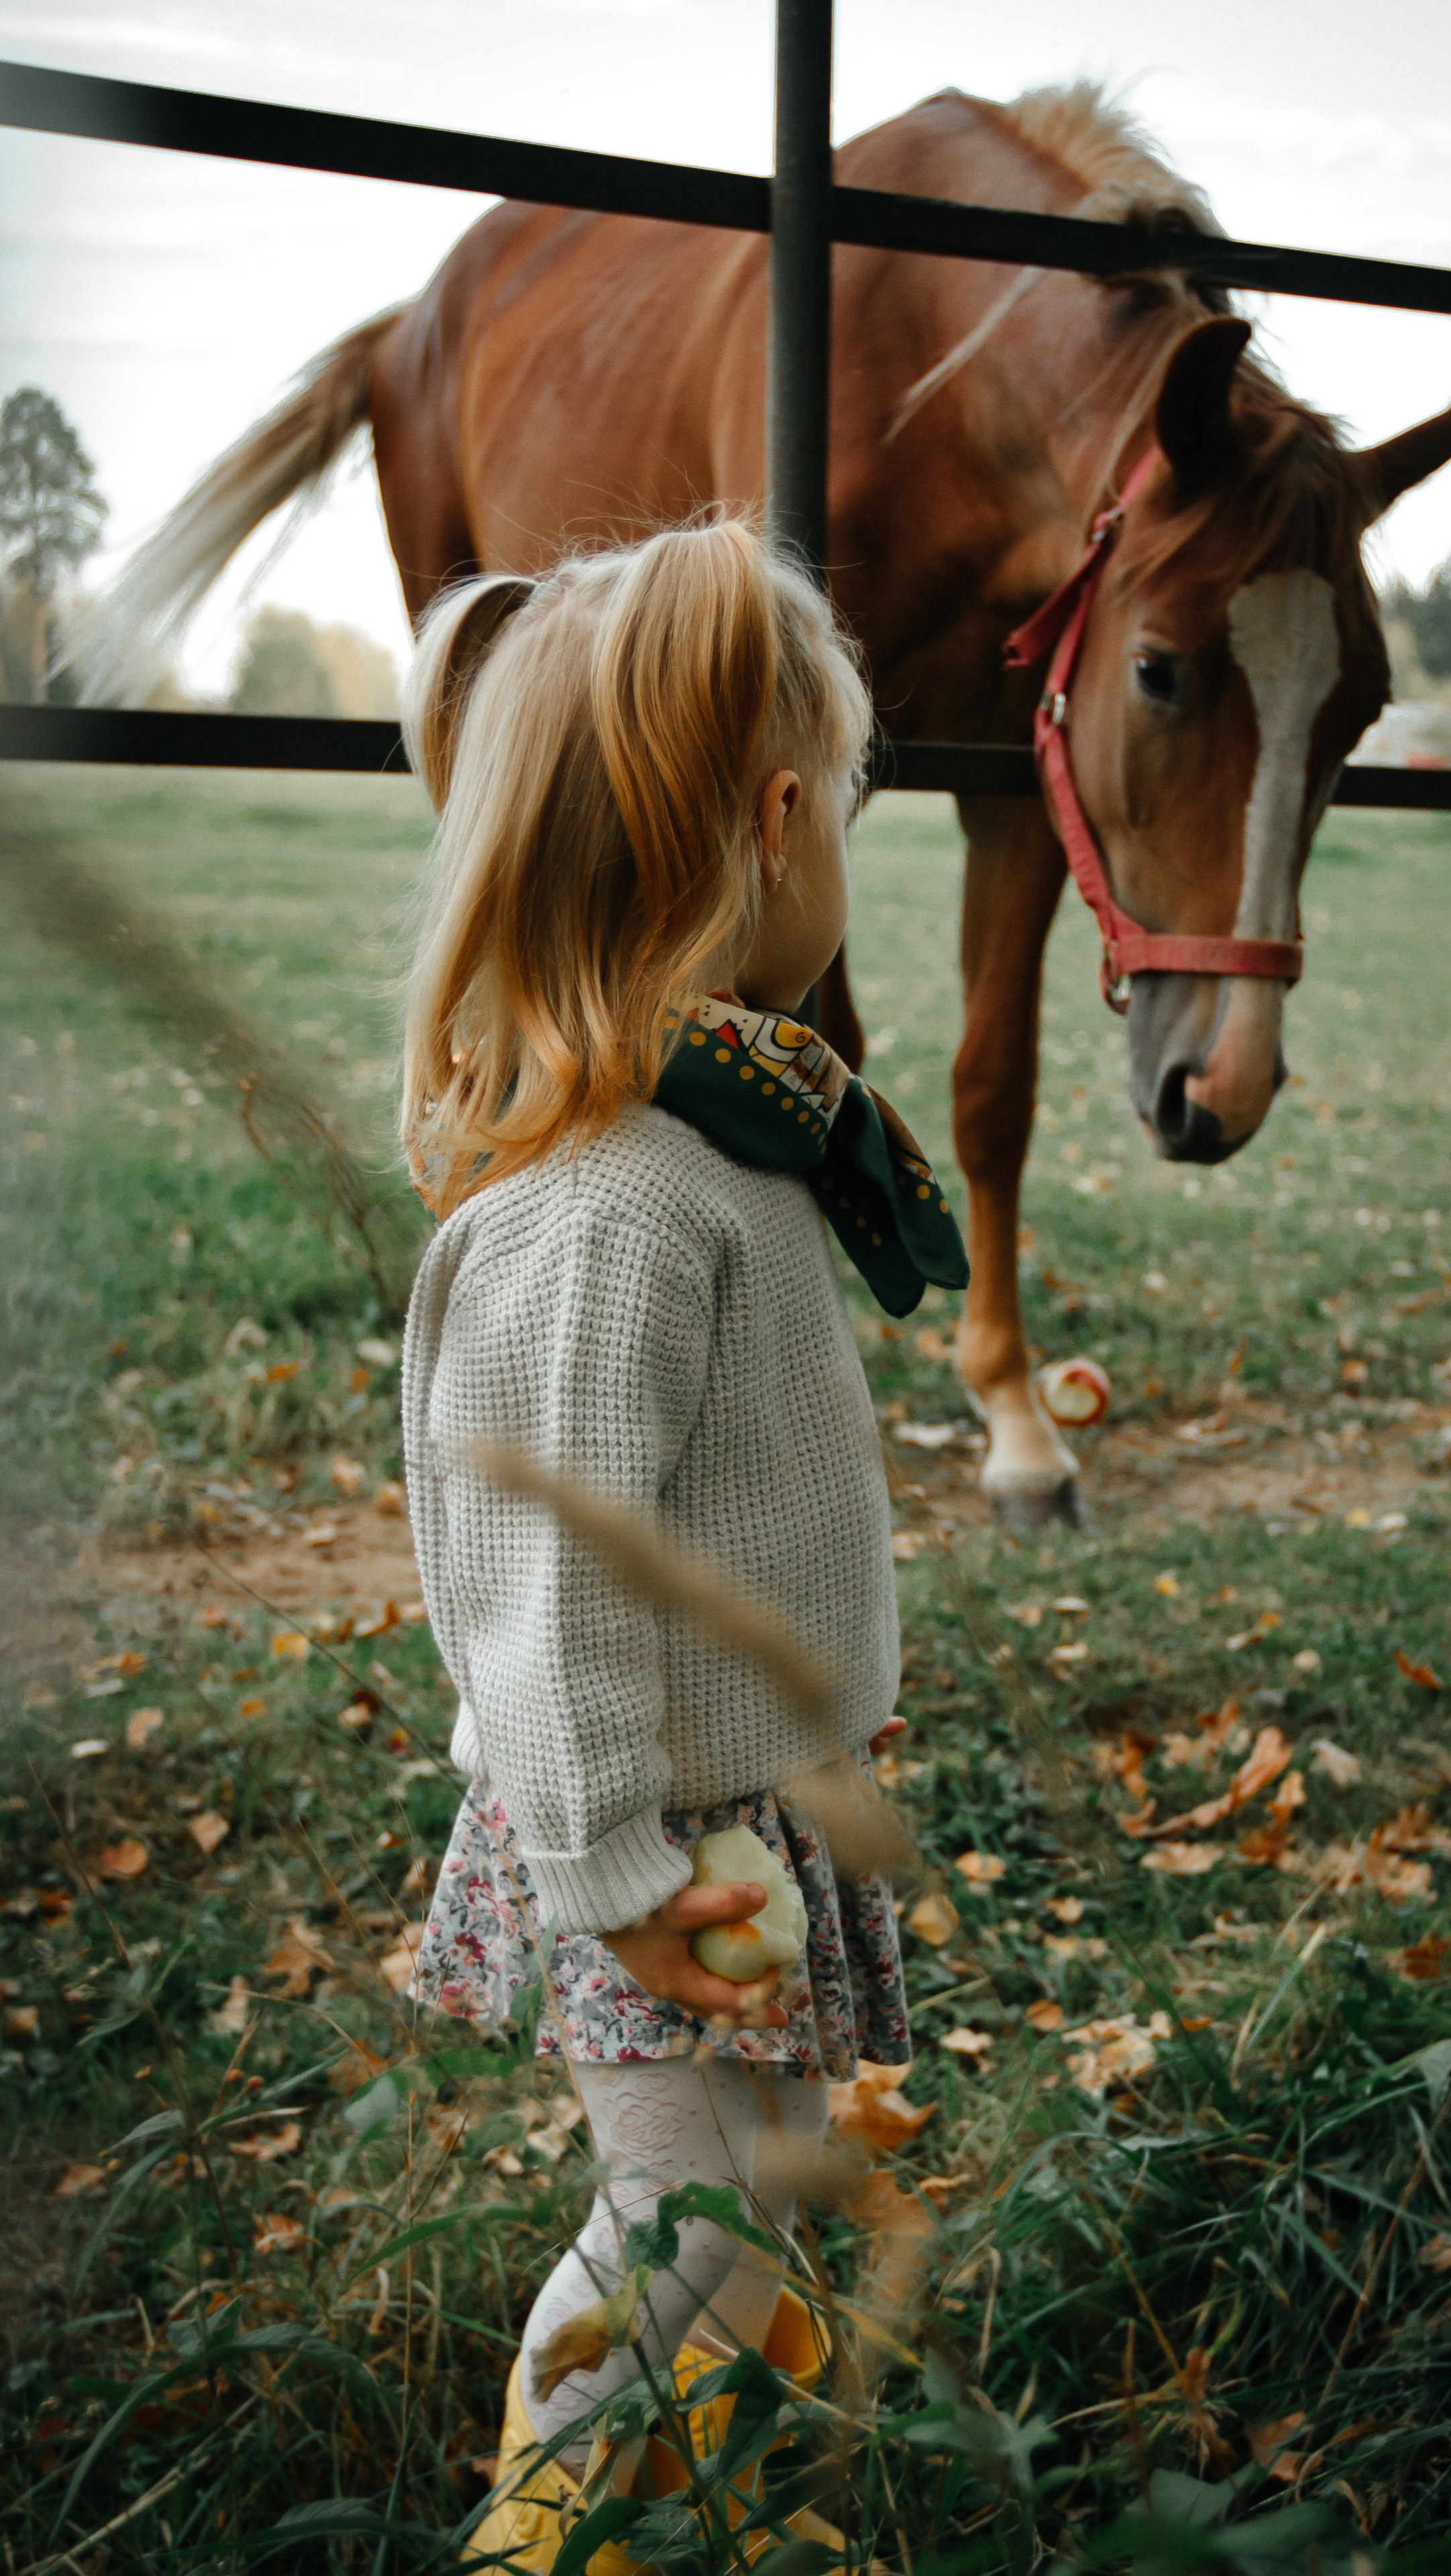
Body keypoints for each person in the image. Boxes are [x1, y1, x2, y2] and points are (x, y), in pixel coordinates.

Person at [396, 519, 967, 2565]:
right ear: (785, 820)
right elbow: (544, 1588)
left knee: (759, 2207)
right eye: (858, 821)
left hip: (749, 1817)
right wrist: (615, 1871)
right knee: (692, 2233)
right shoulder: (608, 1209)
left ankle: (695, 2501)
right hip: (652, 1835)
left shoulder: (713, 1139)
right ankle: (550, 2535)